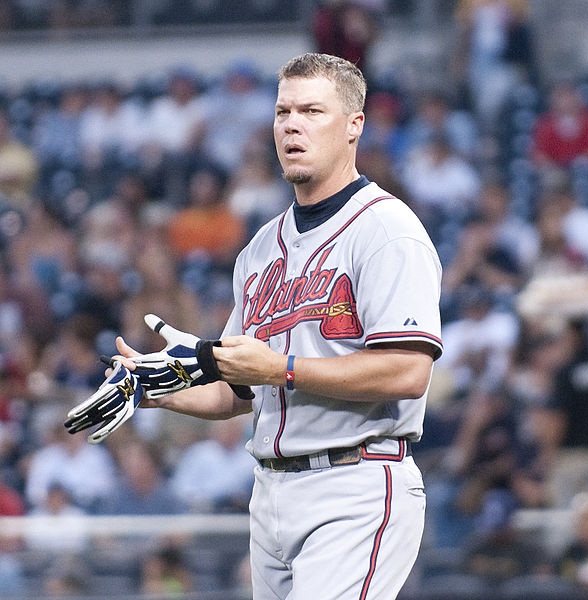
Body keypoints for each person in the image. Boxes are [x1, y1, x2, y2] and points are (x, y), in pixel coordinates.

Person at [70, 53, 443, 599]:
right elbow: (241, 388)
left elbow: (409, 372)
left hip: (356, 482)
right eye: (283, 111)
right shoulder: (260, 247)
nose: (292, 124)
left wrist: (282, 368)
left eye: (313, 111)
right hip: (270, 490)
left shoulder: (387, 230)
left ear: (354, 125)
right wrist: (156, 390)